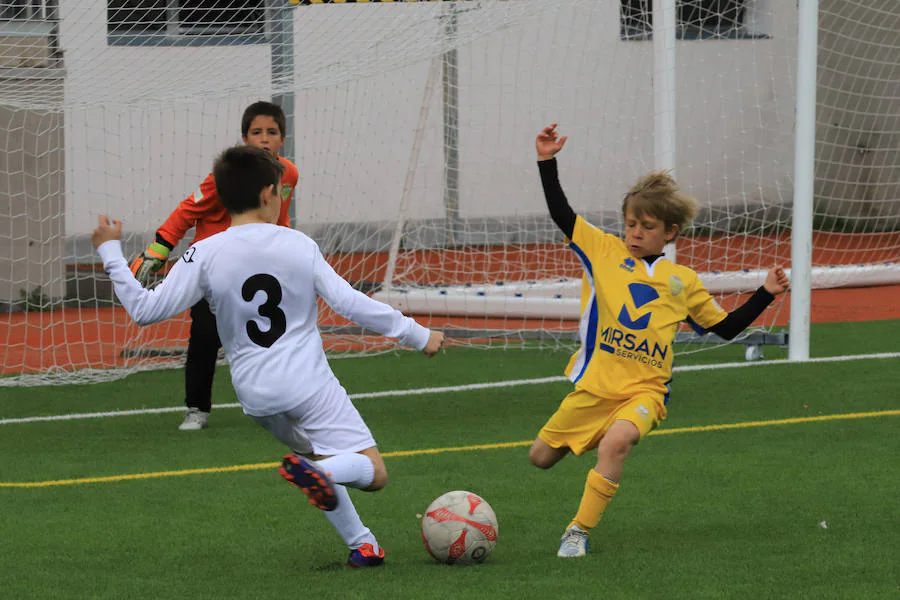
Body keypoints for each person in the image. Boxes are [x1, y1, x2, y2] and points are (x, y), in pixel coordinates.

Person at [93, 144, 445, 567]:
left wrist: (111, 252)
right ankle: (326, 478)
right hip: (308, 385)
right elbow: (350, 303)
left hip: (255, 397)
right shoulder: (298, 245)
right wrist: (416, 333)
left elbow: (144, 310)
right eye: (280, 188)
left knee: (323, 459)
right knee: (371, 471)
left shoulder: (204, 252)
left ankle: (363, 545)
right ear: (268, 194)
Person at [529, 124, 790, 558]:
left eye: (646, 226)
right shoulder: (604, 251)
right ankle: (599, 431)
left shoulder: (681, 281)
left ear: (669, 232)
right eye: (630, 223)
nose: (634, 232)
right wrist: (546, 160)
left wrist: (766, 293)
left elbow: (723, 328)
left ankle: (577, 531)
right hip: (595, 386)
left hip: (646, 390)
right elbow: (561, 212)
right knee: (540, 457)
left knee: (618, 443)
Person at [129, 101, 301, 431]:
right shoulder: (223, 177)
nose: (264, 138)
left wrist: (285, 254)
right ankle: (197, 408)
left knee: (272, 336)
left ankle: (280, 403)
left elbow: (279, 217)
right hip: (215, 271)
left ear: (282, 139)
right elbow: (186, 211)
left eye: (272, 132)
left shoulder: (288, 174)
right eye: (257, 132)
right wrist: (159, 247)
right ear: (244, 138)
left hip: (256, 273)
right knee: (205, 337)